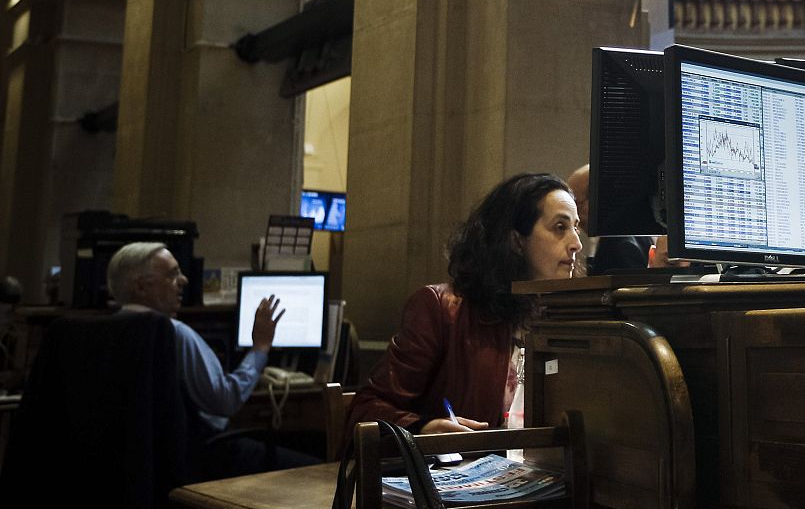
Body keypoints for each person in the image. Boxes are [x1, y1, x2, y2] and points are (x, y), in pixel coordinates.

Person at [350, 172, 582, 434]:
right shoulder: (441, 309)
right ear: (516, 240)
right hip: (461, 465)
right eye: (560, 227)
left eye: (576, 227)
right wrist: (424, 428)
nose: (577, 243)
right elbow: (366, 409)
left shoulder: (566, 317)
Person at [106, 241, 311, 476]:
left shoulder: (108, 332)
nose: (183, 280)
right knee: (315, 467)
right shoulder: (175, 333)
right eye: (172, 275)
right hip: (205, 457)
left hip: (142, 466)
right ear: (141, 288)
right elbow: (225, 401)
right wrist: (261, 346)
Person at [567, 163, 657, 274]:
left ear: (598, 199)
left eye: (576, 204)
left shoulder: (619, 248)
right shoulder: (637, 232)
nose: (575, 215)